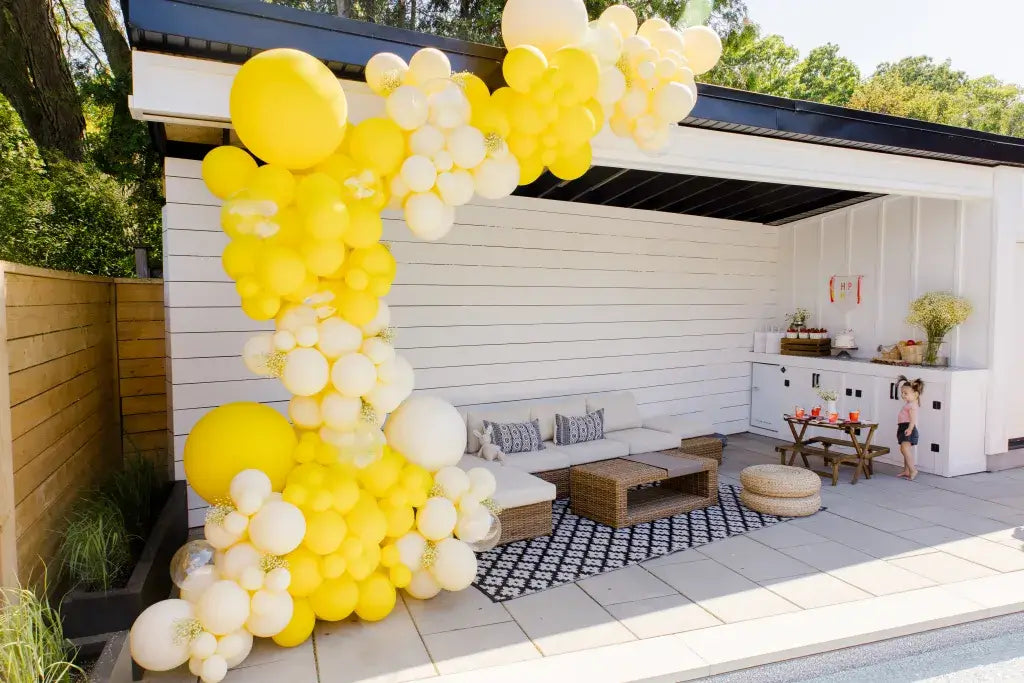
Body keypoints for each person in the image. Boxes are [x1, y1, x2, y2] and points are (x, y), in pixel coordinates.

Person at [896, 376, 924, 480]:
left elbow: (913, 420)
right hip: (904, 427)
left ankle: (913, 470)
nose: (903, 395)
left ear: (915, 394)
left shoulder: (912, 405)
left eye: (905, 393)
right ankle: (906, 470)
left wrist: (910, 429)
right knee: (904, 449)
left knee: (905, 449)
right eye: (902, 393)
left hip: (908, 428)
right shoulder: (909, 404)